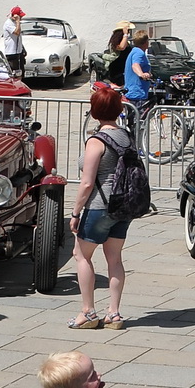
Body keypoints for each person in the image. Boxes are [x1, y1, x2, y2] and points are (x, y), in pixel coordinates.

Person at [68, 83, 133, 330]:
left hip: (99, 206)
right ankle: (114, 314)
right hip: (123, 206)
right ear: (118, 110)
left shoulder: (97, 141)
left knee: (81, 255)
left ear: (94, 111)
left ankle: (88, 312)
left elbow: (87, 183)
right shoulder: (126, 137)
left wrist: (75, 213)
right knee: (114, 258)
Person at [122, 33, 153, 113]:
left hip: (134, 91)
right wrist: (141, 74)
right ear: (146, 42)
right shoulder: (139, 53)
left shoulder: (134, 51)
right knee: (139, 118)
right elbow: (135, 65)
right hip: (137, 93)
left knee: (134, 118)